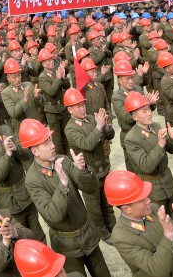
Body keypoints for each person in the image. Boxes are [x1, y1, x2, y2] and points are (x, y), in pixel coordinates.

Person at [20, 118, 111, 277]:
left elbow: (90, 188)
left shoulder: (64, 160)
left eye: (50, 140)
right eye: (46, 143)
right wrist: (63, 184)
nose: (53, 145)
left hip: (88, 235)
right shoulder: (33, 180)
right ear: (34, 151)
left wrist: (83, 170)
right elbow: (52, 214)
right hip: (67, 247)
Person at [0, 99, 46, 243]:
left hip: (25, 192)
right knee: (23, 238)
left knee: (38, 232)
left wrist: (16, 148)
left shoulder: (5, 130)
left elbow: (27, 155)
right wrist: (7, 154)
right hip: (9, 202)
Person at [105, 170, 173, 277]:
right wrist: (168, 235)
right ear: (127, 209)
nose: (149, 200)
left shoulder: (153, 209)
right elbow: (157, 270)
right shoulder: (121, 237)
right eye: (141, 200)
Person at [63, 88, 115, 243]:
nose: (82, 108)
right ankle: (102, 233)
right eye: (78, 106)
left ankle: (113, 227)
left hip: (103, 170)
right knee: (94, 208)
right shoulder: (70, 128)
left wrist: (106, 126)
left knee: (107, 202)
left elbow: (109, 136)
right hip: (89, 175)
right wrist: (98, 127)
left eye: (83, 104)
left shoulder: (92, 119)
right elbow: (88, 144)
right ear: (69, 109)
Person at [122, 91, 173, 220]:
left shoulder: (155, 126)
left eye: (149, 109)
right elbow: (146, 166)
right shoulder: (131, 138)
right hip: (152, 188)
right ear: (135, 117)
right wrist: (160, 144)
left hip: (167, 182)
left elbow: (171, 149)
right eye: (144, 111)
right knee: (159, 222)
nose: (149, 113)